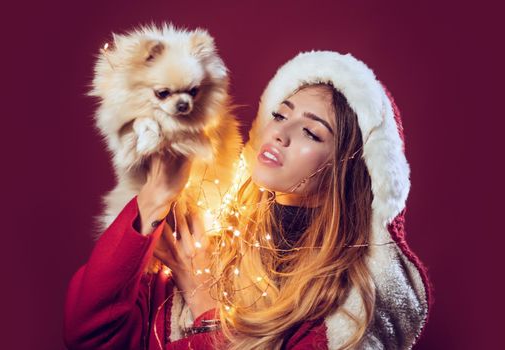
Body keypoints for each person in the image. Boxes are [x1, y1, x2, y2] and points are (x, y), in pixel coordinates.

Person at [63, 50, 431, 349]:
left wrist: (203, 302)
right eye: (279, 115)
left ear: (346, 171)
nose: (280, 134)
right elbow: (89, 334)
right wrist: (156, 195)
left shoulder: (347, 303)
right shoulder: (207, 244)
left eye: (310, 132)